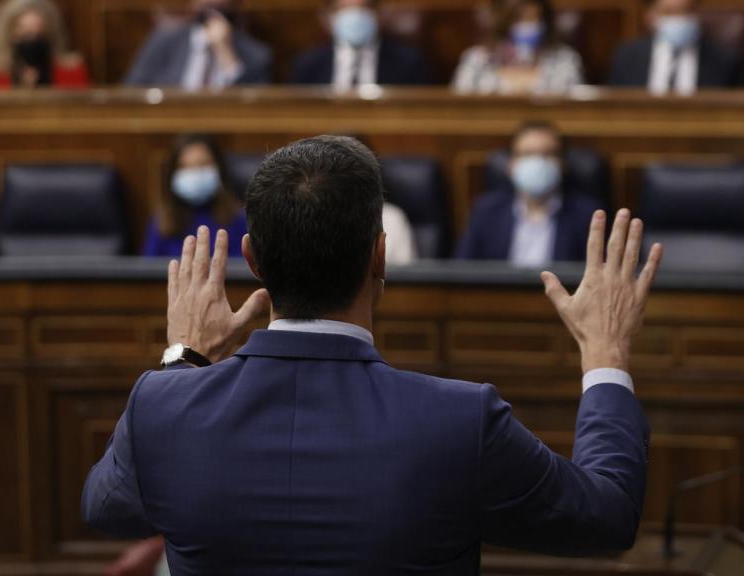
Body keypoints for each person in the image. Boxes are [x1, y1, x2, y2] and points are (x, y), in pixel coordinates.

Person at [81, 135, 661, 573]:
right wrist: (606, 353)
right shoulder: (461, 421)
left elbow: (106, 507)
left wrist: (184, 361)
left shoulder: (162, 406)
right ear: (379, 258)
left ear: (252, 260)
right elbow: (606, 517)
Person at [456, 121, 603, 266]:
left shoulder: (587, 215)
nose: (538, 162)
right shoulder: (486, 210)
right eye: (527, 154)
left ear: (562, 164)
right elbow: (463, 271)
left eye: (548, 154)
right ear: (511, 165)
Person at [124, 0, 272, 89]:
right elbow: (130, 93)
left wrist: (227, 55)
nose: (214, 2)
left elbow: (259, 111)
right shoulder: (164, 41)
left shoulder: (257, 55)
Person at [607, 0, 744, 94]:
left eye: (685, 12)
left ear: (697, 14)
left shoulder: (725, 60)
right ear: (650, 17)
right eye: (669, 13)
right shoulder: (627, 57)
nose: (678, 19)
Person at [142, 134, 246, 258]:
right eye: (186, 167)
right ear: (173, 174)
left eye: (203, 164)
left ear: (219, 168)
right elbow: (148, 271)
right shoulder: (161, 223)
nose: (195, 172)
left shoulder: (239, 219)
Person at [452, 0, 583, 94]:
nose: (525, 24)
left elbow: (574, 108)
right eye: (518, 18)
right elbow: (458, 107)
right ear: (502, 22)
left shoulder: (565, 59)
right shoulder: (476, 59)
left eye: (532, 18)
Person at [289, 0, 430, 87]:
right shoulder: (308, 64)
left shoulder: (408, 63)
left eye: (363, 8)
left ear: (379, 14)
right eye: (345, 9)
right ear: (327, 17)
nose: (355, 16)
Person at [0, 0, 89, 89]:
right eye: (23, 31)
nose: (31, 39)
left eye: (38, 31)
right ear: (8, 33)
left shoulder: (71, 70)